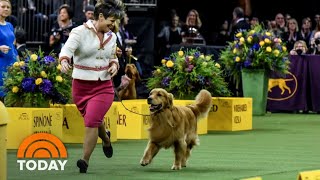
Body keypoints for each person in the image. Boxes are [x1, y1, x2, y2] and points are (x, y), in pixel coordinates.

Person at [59, 0, 125, 173]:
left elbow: (112, 57)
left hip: (103, 86)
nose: (113, 24)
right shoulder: (79, 32)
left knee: (90, 121)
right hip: (80, 87)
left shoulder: (112, 36)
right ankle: (106, 138)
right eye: (111, 20)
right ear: (101, 16)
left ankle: (84, 160)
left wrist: (114, 65)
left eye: (115, 21)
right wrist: (64, 61)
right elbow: (66, 50)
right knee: (94, 120)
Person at [0, 0, 18, 101]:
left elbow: (13, 46)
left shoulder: (9, 25)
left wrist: (18, 63)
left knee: (10, 97)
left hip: (12, 64)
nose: (6, 9)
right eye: (3, 7)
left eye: (8, 7)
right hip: (1, 65)